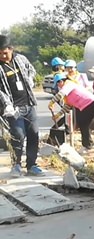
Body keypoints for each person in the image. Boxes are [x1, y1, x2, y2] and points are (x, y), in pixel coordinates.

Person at [0, 34, 43, 177]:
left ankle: (32, 165)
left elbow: (31, 70)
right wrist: (6, 105)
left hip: (28, 104)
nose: (3, 56)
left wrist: (30, 79)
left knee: (34, 133)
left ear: (10, 49)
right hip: (13, 108)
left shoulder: (20, 59)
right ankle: (16, 164)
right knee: (18, 135)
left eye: (5, 53)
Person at [50, 73, 94, 153]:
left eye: (58, 84)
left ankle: (86, 146)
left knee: (83, 124)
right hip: (87, 106)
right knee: (83, 124)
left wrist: (52, 102)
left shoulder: (68, 85)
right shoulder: (68, 95)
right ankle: (89, 143)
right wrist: (58, 115)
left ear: (60, 82)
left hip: (92, 104)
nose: (58, 87)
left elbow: (60, 94)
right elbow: (67, 106)